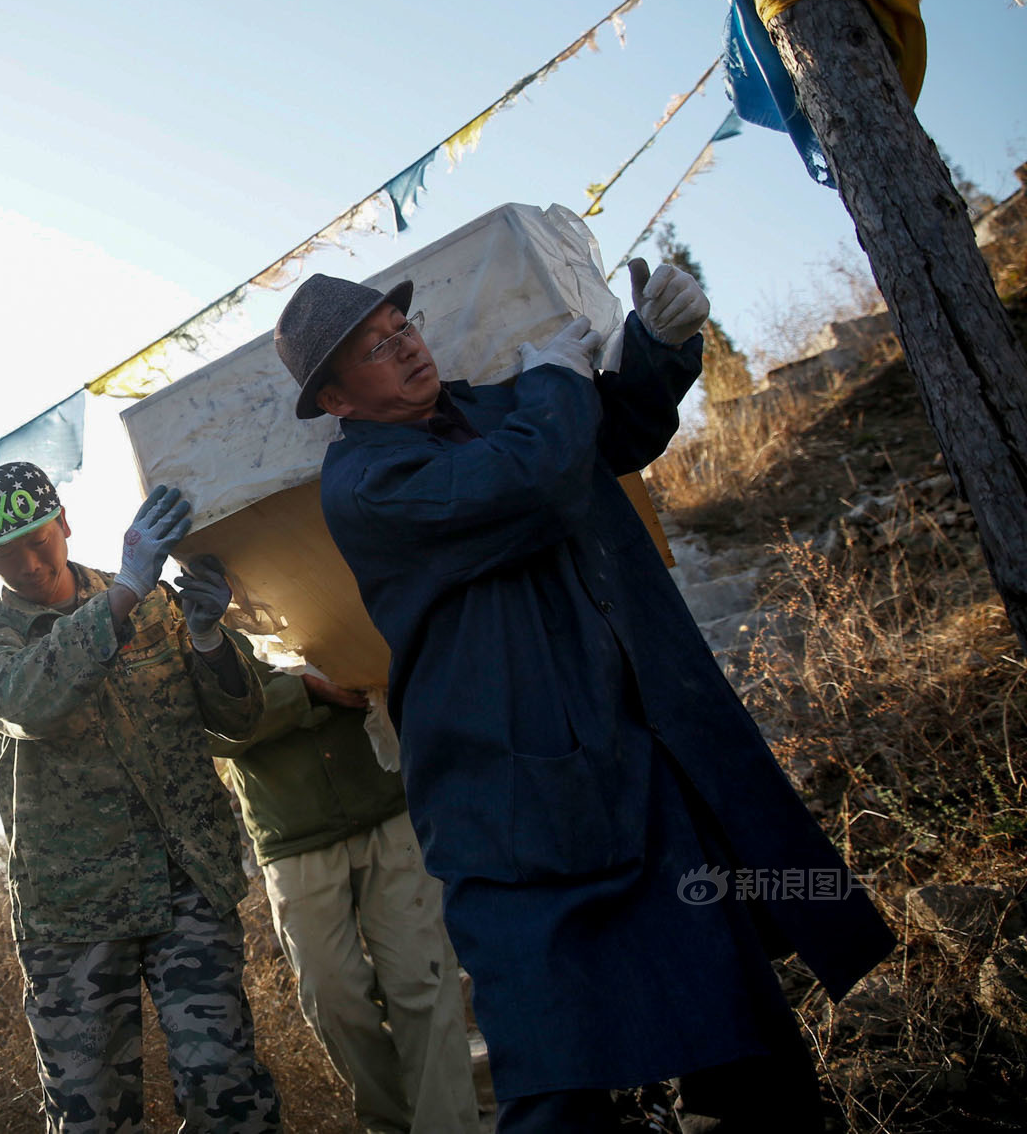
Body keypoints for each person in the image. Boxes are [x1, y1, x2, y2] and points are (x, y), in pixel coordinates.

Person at [271, 268, 894, 1133]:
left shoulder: (500, 405)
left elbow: (611, 432)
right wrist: (558, 381)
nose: (408, 346)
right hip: (512, 798)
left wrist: (656, 345)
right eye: (377, 347)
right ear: (337, 398)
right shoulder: (367, 484)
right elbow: (532, 477)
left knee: (738, 1017)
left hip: (635, 747)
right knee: (554, 1063)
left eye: (401, 326)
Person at [0, 463, 281, 1133]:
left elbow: (239, 722)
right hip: (74, 911)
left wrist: (210, 638)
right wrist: (125, 592)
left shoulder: (155, 604)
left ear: (64, 523)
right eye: (6, 552)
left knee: (224, 1089)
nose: (29, 562)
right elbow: (28, 701)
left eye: (38, 539)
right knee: (92, 1115)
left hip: (184, 881)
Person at [201, 612, 483, 1134]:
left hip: (386, 803)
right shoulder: (197, 614)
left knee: (423, 985)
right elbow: (214, 729)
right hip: (291, 829)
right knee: (332, 998)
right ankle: (389, 1123)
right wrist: (303, 691)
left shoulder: (326, 578)